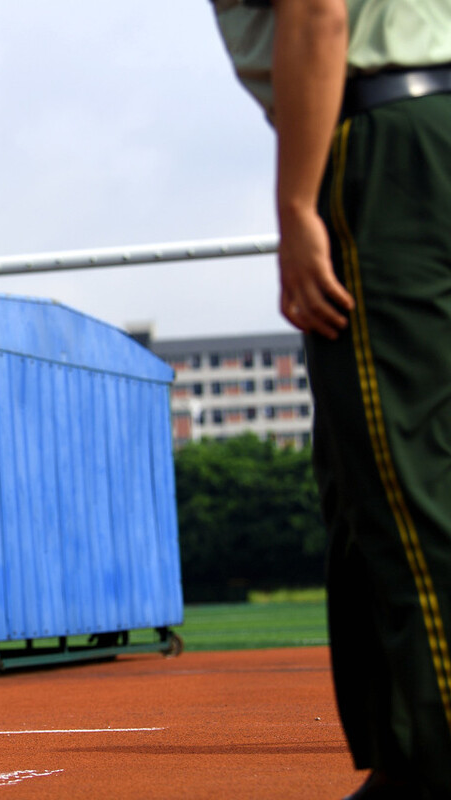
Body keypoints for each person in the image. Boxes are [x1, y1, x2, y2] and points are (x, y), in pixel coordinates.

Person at [211, 1, 451, 797]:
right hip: (423, 129)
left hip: (385, 137)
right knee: (364, 472)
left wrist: (296, 207)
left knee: (398, 480)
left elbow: (317, 10)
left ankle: (433, 765)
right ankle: (403, 757)